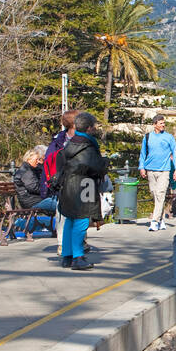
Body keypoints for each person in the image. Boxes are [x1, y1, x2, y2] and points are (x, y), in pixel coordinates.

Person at [53, 112, 106, 270]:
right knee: (82, 220)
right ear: (89, 128)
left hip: (68, 186)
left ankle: (67, 256)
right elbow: (94, 167)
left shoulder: (70, 143)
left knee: (69, 219)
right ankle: (78, 257)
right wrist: (104, 163)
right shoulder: (88, 145)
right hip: (84, 185)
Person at [139, 113, 176, 232]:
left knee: (161, 193)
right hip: (150, 170)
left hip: (164, 171)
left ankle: (154, 221)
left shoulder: (169, 137)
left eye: (164, 123)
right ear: (154, 125)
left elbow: (175, 153)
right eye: (161, 123)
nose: (163, 125)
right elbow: (142, 154)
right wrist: (142, 167)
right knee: (154, 194)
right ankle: (161, 219)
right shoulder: (147, 137)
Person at [15, 146, 57, 234]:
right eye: (36, 159)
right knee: (59, 204)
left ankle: (63, 228)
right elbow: (34, 187)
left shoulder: (33, 169)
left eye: (39, 159)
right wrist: (47, 189)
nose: (38, 162)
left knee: (61, 201)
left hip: (38, 199)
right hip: (32, 202)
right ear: (29, 158)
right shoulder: (25, 171)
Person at [42, 109, 80, 197]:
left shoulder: (58, 142)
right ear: (74, 124)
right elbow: (49, 165)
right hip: (62, 190)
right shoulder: (57, 143)